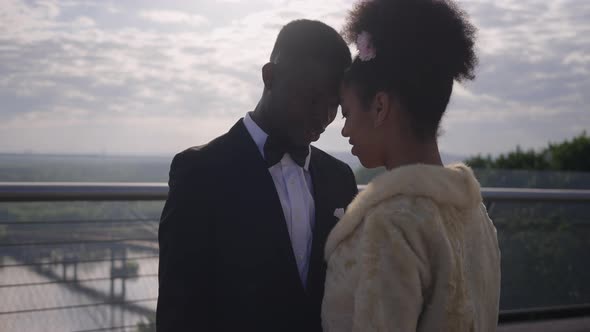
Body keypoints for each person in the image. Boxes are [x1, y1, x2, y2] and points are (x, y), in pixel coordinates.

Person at [157, 19, 358, 332]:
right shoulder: (199, 173)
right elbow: (179, 313)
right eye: (311, 98)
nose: (323, 117)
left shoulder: (340, 178)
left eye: (334, 105)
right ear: (270, 77)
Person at [321, 0, 501, 331]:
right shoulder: (476, 214)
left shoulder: (390, 224)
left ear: (379, 106)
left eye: (346, 112)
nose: (344, 129)